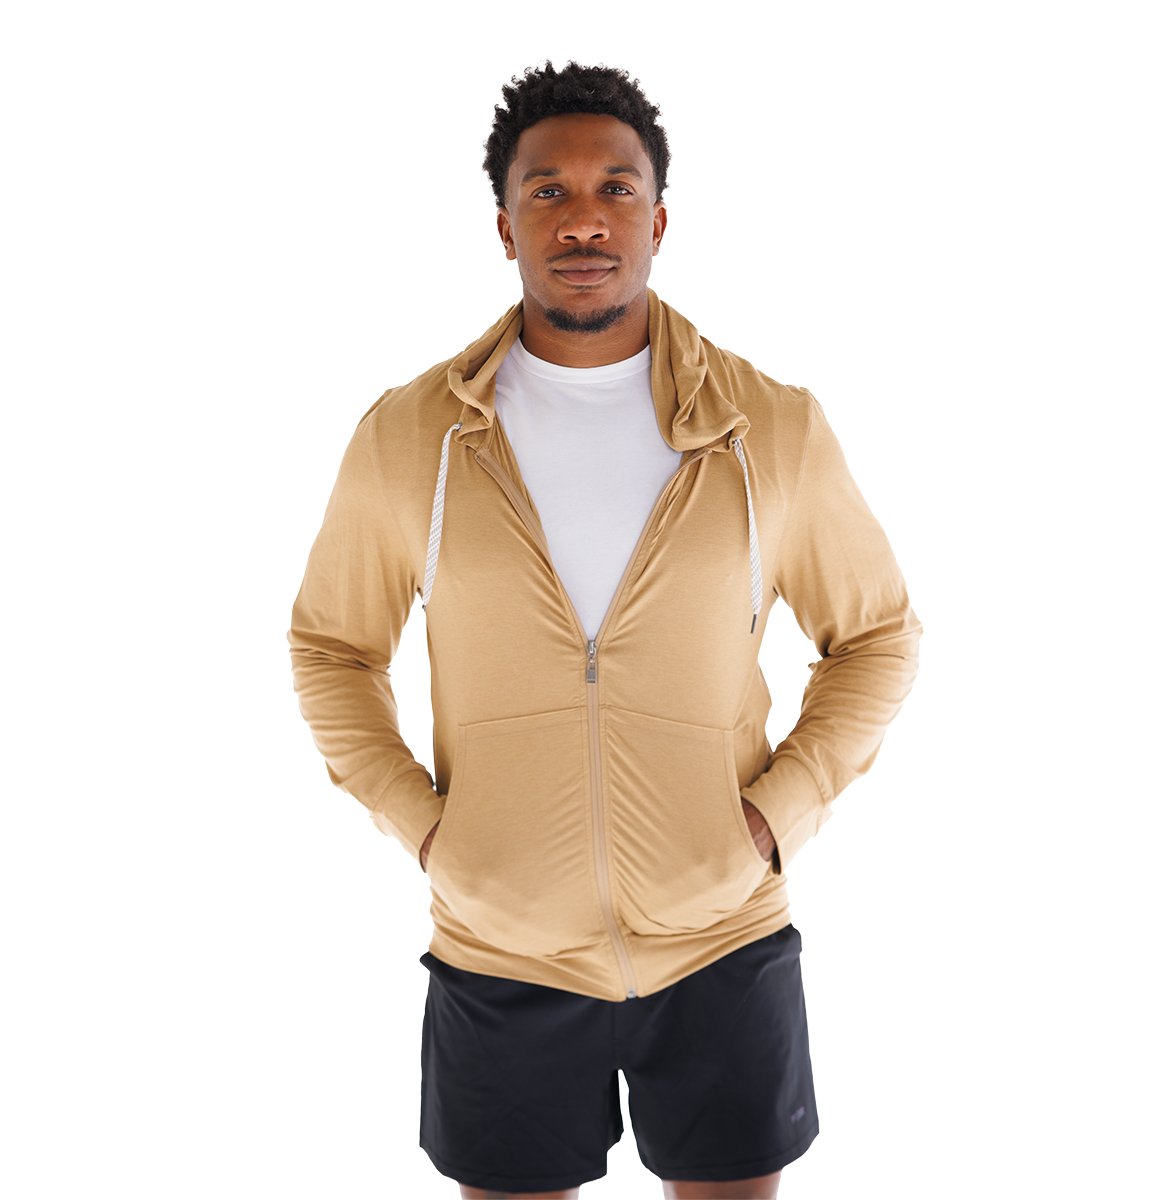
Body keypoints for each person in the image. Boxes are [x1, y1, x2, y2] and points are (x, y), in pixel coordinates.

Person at [288, 58, 921, 1200]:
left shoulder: (768, 427)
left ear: (659, 219)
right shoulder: (411, 436)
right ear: (505, 225)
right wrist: (432, 835)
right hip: (500, 946)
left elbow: (876, 635)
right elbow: (334, 649)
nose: (584, 218)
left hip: (724, 935)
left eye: (616, 189)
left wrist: (775, 817)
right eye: (549, 191)